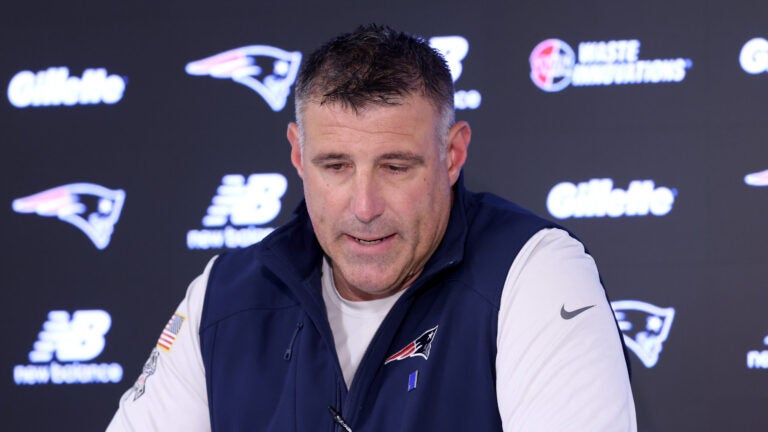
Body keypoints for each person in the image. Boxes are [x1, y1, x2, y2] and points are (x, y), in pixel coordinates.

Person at [107, 24, 636, 431]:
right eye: (335, 166)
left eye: (395, 166)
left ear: (452, 155)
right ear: (297, 153)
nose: (363, 206)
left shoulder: (533, 272)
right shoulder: (224, 295)